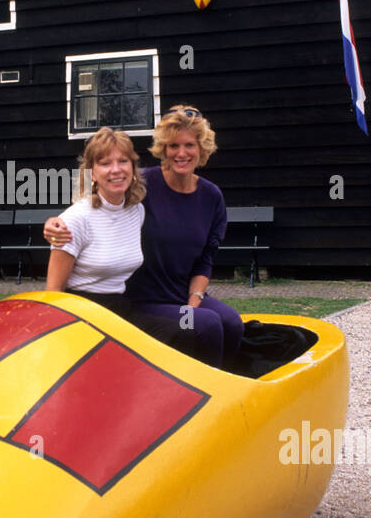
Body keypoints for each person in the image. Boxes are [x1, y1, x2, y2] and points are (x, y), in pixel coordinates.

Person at [46, 106, 243, 369]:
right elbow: (99, 205)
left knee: (231, 322)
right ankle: (207, 394)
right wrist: (51, 224)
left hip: (186, 293)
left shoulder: (211, 197)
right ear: (163, 148)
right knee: (206, 325)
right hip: (145, 299)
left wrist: (193, 302)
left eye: (189, 145)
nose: (181, 153)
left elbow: (206, 257)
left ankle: (234, 384)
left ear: (202, 149)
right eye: (173, 146)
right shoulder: (143, 187)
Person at [45, 126, 190, 352]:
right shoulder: (74, 219)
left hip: (121, 309)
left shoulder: (136, 212)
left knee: (184, 333)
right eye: (105, 163)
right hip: (83, 314)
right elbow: (53, 293)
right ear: (92, 173)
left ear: (132, 167)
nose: (116, 170)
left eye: (123, 161)